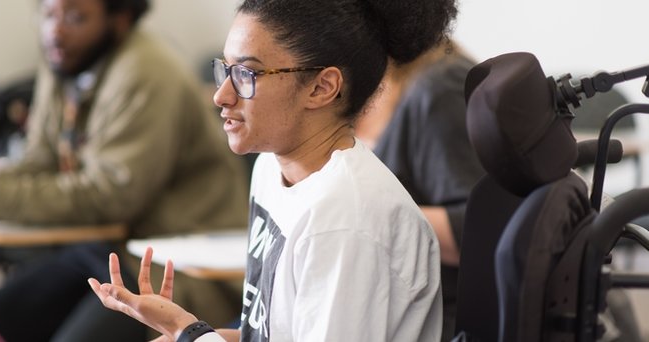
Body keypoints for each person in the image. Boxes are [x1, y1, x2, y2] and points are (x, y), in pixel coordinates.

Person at [89, 0, 458, 340]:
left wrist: (191, 332)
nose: (221, 95)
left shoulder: (346, 218)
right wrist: (196, 332)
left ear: (321, 87)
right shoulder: (270, 168)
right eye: (225, 69)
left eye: (247, 73)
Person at [0, 0, 249, 340]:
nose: (56, 30)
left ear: (120, 19)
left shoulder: (147, 71)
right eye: (49, 14)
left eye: (76, 17)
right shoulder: (66, 59)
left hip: (167, 266)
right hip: (100, 249)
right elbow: (40, 161)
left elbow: (109, 196)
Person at [357, 41, 485, 341]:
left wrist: (358, 215)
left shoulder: (440, 88)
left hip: (441, 321)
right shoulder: (396, 83)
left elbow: (479, 232)